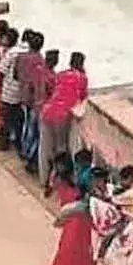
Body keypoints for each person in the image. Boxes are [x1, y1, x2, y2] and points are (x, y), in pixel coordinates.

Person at [37, 155, 96, 265]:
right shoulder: (58, 178)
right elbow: (47, 192)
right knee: (65, 249)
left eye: (60, 165)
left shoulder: (79, 178)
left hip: (80, 219)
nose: (58, 168)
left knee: (81, 251)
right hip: (70, 219)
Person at [38, 52, 88, 192]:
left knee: (45, 148)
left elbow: (54, 91)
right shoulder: (82, 78)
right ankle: (58, 180)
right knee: (61, 148)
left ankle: (43, 179)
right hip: (62, 116)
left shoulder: (60, 74)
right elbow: (82, 97)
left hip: (47, 111)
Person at [23, 47, 58, 175]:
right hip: (43, 109)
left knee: (30, 134)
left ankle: (26, 155)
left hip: (34, 106)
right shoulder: (52, 77)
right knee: (39, 138)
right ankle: (32, 161)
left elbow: (30, 87)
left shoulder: (37, 71)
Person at [13, 31, 47, 164]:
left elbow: (15, 75)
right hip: (34, 98)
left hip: (23, 94)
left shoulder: (21, 57)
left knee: (26, 124)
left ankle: (24, 149)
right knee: (32, 127)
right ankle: (28, 153)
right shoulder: (40, 61)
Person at [0, 28, 26, 151]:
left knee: (6, 118)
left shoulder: (11, 53)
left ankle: (4, 143)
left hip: (9, 91)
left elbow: (1, 70)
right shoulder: (24, 51)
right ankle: (17, 142)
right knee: (18, 118)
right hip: (21, 92)